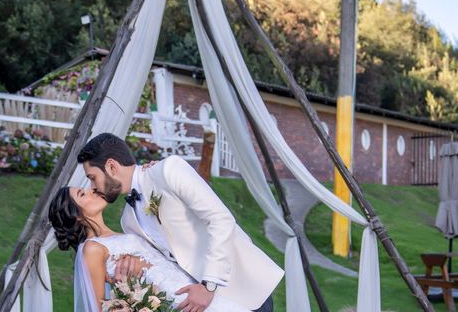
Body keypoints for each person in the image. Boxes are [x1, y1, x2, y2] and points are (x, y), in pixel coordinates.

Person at [49, 132, 283, 311]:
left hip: (238, 287)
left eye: (92, 178)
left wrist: (209, 286)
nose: (93, 187)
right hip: (190, 301)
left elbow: (220, 219)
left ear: (111, 166)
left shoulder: (168, 171)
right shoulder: (127, 221)